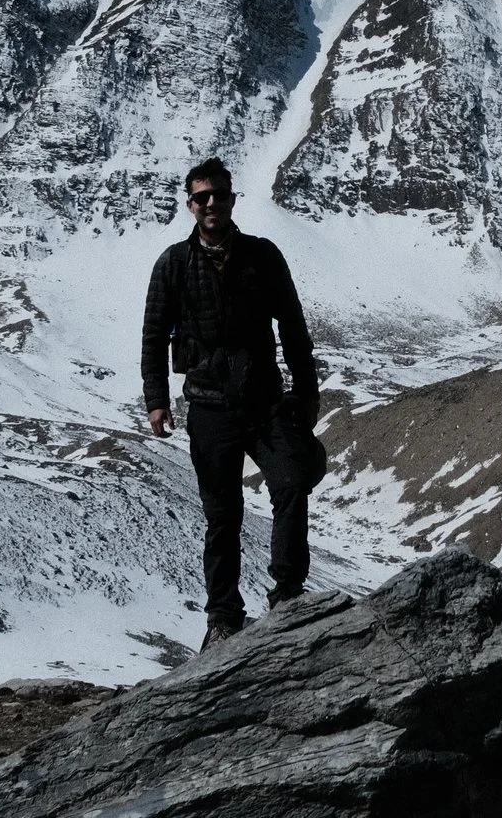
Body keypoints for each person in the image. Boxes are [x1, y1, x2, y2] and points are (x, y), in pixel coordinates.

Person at [141, 157, 324, 649]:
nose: (211, 203)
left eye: (219, 194)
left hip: (265, 401)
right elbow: (154, 334)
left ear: (231, 198)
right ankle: (223, 618)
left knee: (291, 482)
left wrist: (307, 393)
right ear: (190, 205)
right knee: (223, 514)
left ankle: (288, 595)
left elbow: (293, 327)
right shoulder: (174, 264)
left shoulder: (263, 257)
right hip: (208, 406)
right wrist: (157, 399)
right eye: (202, 197)